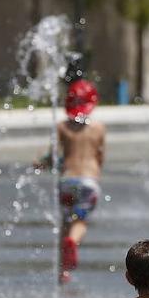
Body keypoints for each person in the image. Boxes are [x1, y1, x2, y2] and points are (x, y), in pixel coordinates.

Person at [37, 79, 106, 284]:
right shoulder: (99, 128)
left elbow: (51, 157)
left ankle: (63, 272)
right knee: (80, 221)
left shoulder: (61, 127)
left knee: (65, 223)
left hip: (66, 182)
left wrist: (40, 164)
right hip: (89, 182)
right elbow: (100, 156)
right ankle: (73, 242)